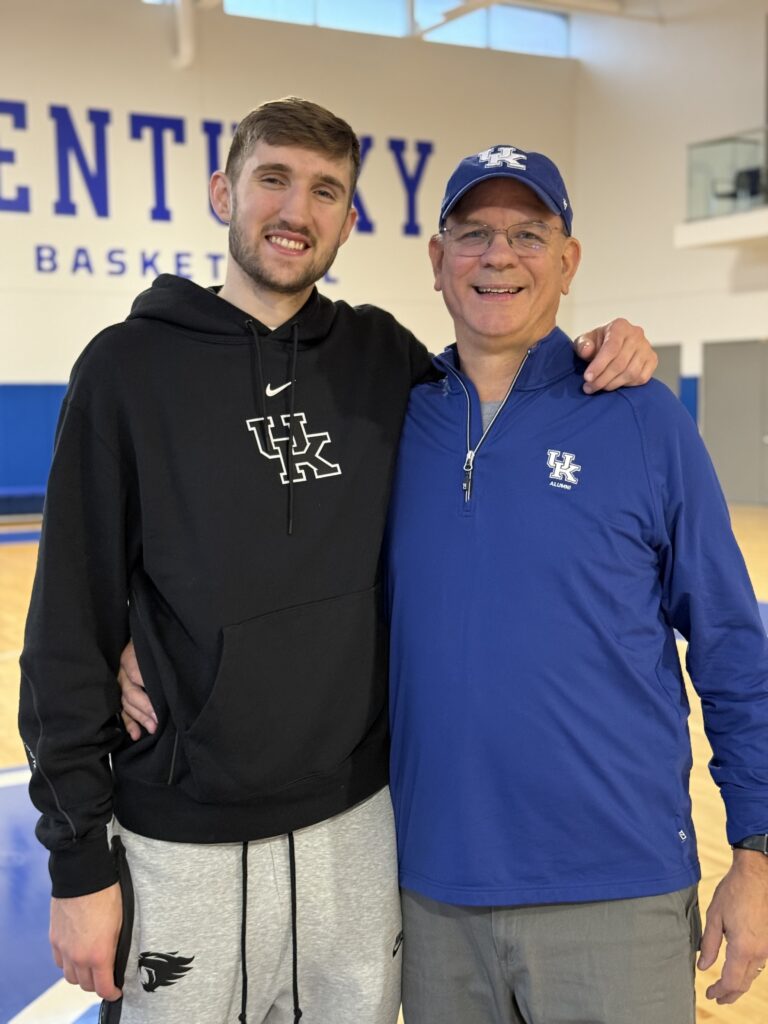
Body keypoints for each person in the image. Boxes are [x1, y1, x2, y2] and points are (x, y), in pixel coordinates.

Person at [20, 97, 655, 1024]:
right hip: (181, 838)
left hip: (355, 831)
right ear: (221, 192)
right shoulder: (126, 369)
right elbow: (66, 624)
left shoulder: (381, 359)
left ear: (350, 220)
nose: (296, 209)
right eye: (272, 178)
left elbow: (504, 375)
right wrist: (77, 863)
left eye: (326, 190)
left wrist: (602, 348)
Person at [381, 146, 768, 1023]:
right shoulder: (388, 420)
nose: (499, 256)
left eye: (528, 233)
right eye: (473, 234)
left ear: (568, 259)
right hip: (431, 897)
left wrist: (757, 852)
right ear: (437, 260)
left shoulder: (642, 418)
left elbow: (734, 647)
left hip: (615, 895)